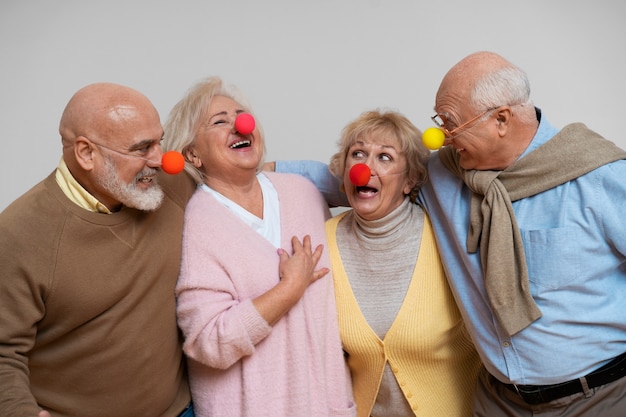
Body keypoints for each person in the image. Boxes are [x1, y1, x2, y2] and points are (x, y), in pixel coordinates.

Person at [274, 51, 626, 416]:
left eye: (451, 123)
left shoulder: (598, 177)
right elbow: (352, 181)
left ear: (501, 120)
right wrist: (251, 172)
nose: (440, 137)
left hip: (598, 396)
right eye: (439, 122)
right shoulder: (444, 176)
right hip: (499, 402)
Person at [161, 76, 355, 417]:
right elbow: (208, 342)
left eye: (242, 115)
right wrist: (289, 289)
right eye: (220, 121)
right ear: (193, 154)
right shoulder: (198, 223)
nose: (240, 125)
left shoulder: (303, 194)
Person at [0, 83, 195, 417]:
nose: (161, 159)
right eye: (142, 148)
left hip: (181, 410)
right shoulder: (18, 234)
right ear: (86, 153)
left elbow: (239, 179)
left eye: (159, 140)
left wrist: (315, 177)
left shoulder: (171, 186)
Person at [326, 109, 480, 417]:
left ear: (410, 180)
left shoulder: (445, 234)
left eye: (384, 157)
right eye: (357, 153)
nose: (364, 168)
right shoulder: (322, 239)